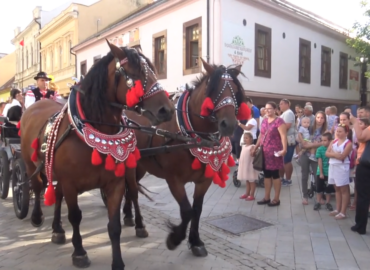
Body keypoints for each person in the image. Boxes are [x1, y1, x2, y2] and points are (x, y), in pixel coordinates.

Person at [252, 101, 287, 207]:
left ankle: (276, 198)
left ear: (275, 109)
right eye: (266, 109)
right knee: (266, 174)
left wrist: (284, 149)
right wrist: (256, 147)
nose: (267, 110)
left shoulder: (279, 121)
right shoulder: (264, 121)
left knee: (275, 175)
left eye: (270, 108)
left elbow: (283, 136)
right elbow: (260, 136)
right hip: (265, 152)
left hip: (275, 152)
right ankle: (267, 197)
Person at [300, 111, 328, 205]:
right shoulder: (309, 127)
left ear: (325, 119)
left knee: (318, 177)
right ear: (315, 118)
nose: (319, 120)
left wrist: (312, 144)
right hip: (305, 154)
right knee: (304, 176)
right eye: (318, 117)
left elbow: (325, 143)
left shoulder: (325, 131)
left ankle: (319, 196)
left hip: (317, 156)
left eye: (322, 118)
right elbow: (301, 140)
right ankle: (305, 196)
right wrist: (306, 145)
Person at [325, 124, 352, 219]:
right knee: (336, 189)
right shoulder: (333, 141)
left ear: (346, 133)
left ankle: (343, 212)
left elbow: (343, 156)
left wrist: (333, 154)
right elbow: (327, 153)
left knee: (343, 189)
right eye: (337, 131)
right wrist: (335, 154)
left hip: (342, 167)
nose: (338, 133)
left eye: (341, 131)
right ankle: (338, 209)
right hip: (332, 166)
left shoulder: (348, 143)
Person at [351, 115, 370, 234]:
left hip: (366, 166)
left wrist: (354, 122)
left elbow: (361, 137)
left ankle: (360, 226)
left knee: (363, 195)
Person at [313, 132, 334, 211]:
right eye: (322, 140)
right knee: (319, 188)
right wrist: (321, 172)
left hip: (330, 172)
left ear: (330, 141)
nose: (323, 142)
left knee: (329, 189)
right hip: (321, 172)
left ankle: (328, 202)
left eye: (325, 140)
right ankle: (318, 202)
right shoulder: (319, 149)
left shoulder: (332, 149)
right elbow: (319, 161)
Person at [279, 99, 296, 187]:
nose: (280, 106)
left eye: (281, 104)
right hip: (283, 139)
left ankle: (288, 179)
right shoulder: (284, 113)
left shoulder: (288, 113)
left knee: (287, 161)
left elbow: (287, 126)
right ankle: (282, 178)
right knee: (283, 160)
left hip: (288, 140)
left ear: (287, 104)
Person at [238, 132, 258, 201]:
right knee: (247, 180)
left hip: (250, 166)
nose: (245, 139)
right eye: (244, 138)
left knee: (251, 180)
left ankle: (252, 195)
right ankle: (247, 193)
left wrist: (253, 151)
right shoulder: (243, 146)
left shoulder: (252, 146)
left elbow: (253, 154)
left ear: (251, 139)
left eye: (246, 138)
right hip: (245, 166)